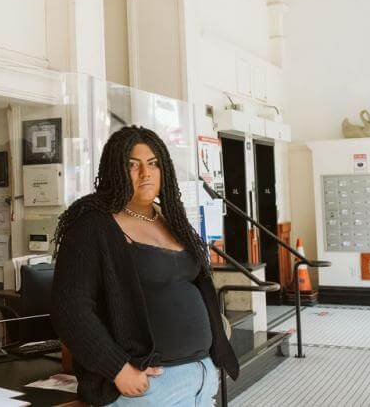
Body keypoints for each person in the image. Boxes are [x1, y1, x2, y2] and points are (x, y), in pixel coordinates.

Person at [51, 126, 238, 406]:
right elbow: (70, 309)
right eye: (133, 165)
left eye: (153, 164)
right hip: (148, 388)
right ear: (115, 171)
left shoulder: (170, 219)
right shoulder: (92, 225)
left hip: (201, 377)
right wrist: (117, 368)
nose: (145, 173)